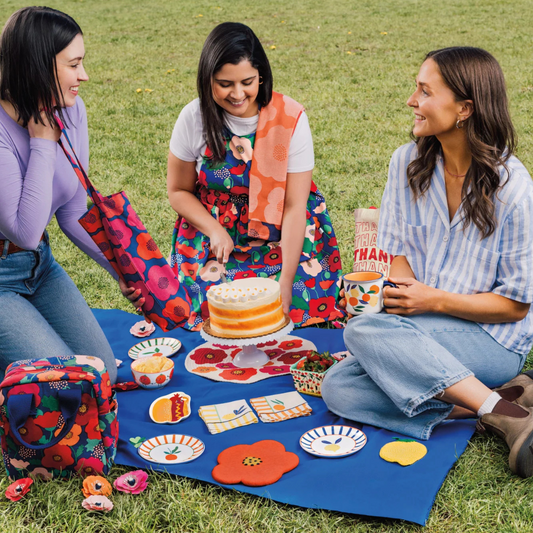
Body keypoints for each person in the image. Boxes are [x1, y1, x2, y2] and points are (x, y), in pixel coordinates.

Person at [322, 47, 533, 477]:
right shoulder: (406, 164)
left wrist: (431, 302)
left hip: (493, 339)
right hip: (422, 325)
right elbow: (398, 254)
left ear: (464, 109)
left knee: (364, 328)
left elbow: (515, 306)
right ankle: (499, 401)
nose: (411, 101)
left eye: (424, 91)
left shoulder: (513, 189)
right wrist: (401, 297)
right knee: (339, 386)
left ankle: (507, 414)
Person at [167, 22, 344, 331]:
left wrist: (286, 282)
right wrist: (214, 231)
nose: (238, 94)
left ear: (261, 75)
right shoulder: (193, 117)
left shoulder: (291, 118)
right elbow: (178, 191)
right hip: (216, 235)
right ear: (207, 80)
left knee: (288, 306)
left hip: (283, 232)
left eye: (247, 82)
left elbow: (294, 205)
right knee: (217, 315)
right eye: (225, 84)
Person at [0, 7, 139, 383]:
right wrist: (43, 143)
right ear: (38, 66)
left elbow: (74, 210)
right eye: (73, 64)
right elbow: (24, 232)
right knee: (67, 385)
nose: (84, 76)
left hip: (38, 266)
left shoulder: (72, 110)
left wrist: (123, 274)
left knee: (103, 373)